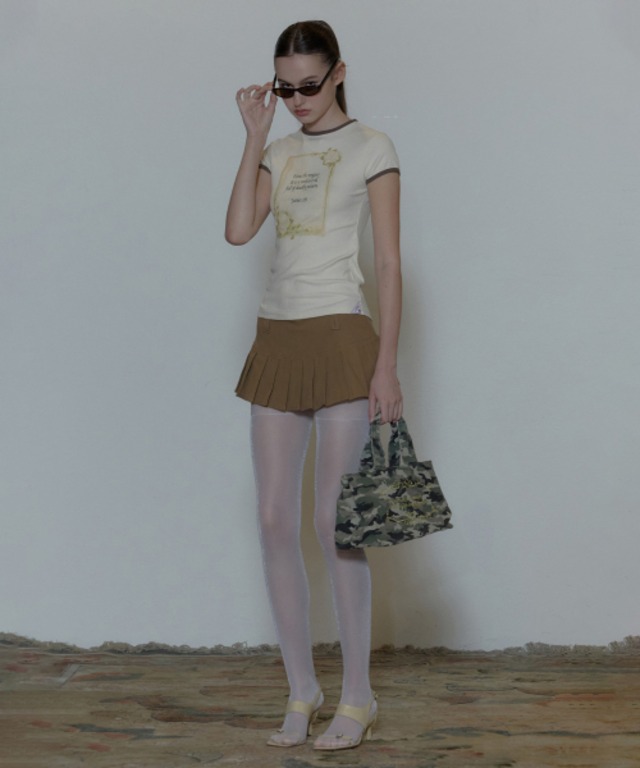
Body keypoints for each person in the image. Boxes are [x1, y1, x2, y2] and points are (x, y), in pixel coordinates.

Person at [225, 20, 403, 751]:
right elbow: (239, 230)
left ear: (338, 74)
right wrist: (253, 136)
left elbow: (388, 263)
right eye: (285, 86)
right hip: (278, 337)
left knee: (337, 523)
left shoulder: (373, 147)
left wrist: (386, 365)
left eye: (309, 85)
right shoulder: (279, 149)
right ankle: (302, 689)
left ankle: (358, 697)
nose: (297, 99)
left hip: (342, 337)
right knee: (274, 517)